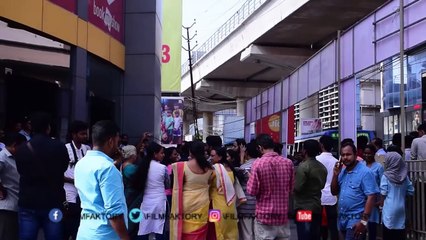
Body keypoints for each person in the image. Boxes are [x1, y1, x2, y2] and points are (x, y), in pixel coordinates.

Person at [14, 112, 69, 240]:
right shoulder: (59, 146)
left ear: (31, 127)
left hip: (28, 202)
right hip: (53, 202)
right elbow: (64, 168)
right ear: (48, 127)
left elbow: (20, 170)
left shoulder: (22, 148)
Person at [74, 120, 129, 240]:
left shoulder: (81, 163)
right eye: (117, 141)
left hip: (85, 231)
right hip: (105, 235)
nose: (118, 145)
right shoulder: (107, 168)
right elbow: (114, 214)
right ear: (111, 141)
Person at [247, 134, 294, 240]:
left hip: (264, 217)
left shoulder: (257, 164)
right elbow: (291, 189)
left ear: (260, 147)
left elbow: (252, 191)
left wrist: (250, 178)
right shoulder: (288, 163)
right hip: (282, 216)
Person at [331, 142, 379, 240]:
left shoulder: (365, 172)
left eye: (348, 154)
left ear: (355, 155)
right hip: (341, 220)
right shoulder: (343, 172)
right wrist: (335, 174)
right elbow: (334, 192)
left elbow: (371, 197)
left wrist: (363, 222)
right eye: (343, 155)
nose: (345, 157)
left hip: (355, 220)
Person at [170, 141, 213, 240]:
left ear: (190, 152)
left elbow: (175, 186)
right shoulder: (210, 168)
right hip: (203, 202)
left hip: (186, 203)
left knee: (184, 232)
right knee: (201, 231)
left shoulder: (181, 166)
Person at [294, 139, 327, 240]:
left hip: (304, 208)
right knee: (314, 235)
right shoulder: (322, 167)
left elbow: (298, 187)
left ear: (305, 151)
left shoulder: (303, 167)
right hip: (317, 207)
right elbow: (322, 186)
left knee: (304, 235)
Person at [63, 120, 91, 240]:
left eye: (86, 134)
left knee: (80, 226)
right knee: (68, 224)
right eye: (82, 134)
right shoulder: (65, 148)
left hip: (83, 193)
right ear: (73, 134)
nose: (85, 136)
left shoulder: (87, 149)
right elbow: (58, 172)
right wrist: (73, 181)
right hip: (69, 191)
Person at [134, 142, 168, 240]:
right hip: (160, 202)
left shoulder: (142, 167)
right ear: (154, 154)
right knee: (159, 230)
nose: (163, 155)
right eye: (161, 153)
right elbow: (167, 184)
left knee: (144, 228)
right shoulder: (163, 168)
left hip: (146, 203)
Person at [380, 152, 414, 240]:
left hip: (389, 208)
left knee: (388, 233)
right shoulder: (404, 177)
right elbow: (411, 191)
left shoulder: (386, 176)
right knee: (400, 233)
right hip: (401, 208)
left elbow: (383, 193)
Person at [208, 147, 239, 239]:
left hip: (215, 206)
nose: (210, 158)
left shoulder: (214, 170)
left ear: (220, 157)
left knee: (216, 230)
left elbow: (207, 185)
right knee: (230, 230)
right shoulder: (231, 170)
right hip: (230, 205)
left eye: (212, 156)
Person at [0, 132, 26, 240]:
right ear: (15, 145)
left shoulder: (15, 158)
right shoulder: (2, 157)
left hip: (15, 205)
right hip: (6, 207)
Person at [235, 142, 261, 240]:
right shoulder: (262, 165)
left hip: (246, 205)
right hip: (259, 205)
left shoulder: (243, 168)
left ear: (246, 153)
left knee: (247, 233)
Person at [317, 135, 338, 240]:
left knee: (319, 226)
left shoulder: (316, 160)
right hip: (332, 197)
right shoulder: (336, 161)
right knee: (333, 226)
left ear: (321, 145)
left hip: (318, 198)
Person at [362, 144, 384, 240]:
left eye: (369, 153)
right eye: (365, 153)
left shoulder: (379, 167)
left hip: (373, 200)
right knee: (362, 223)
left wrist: (381, 200)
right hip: (361, 200)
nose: (367, 155)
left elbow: (382, 184)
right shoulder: (360, 165)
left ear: (374, 154)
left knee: (372, 225)